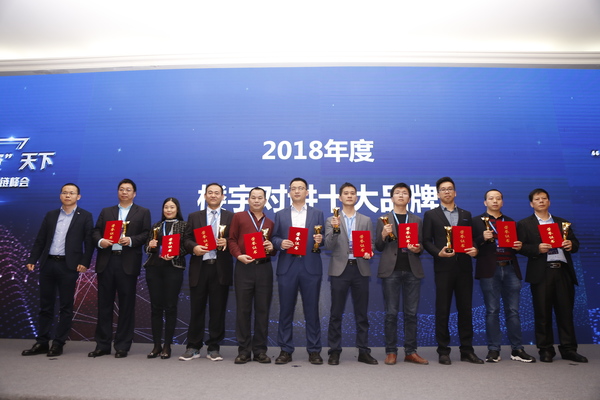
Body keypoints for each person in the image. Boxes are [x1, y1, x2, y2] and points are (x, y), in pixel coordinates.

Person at [21, 183, 94, 357]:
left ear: (78, 197)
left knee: (66, 306)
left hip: (68, 265)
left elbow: (89, 242)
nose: (68, 195)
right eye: (64, 192)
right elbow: (40, 239)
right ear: (60, 195)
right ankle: (42, 342)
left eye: (72, 193)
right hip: (48, 263)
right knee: (45, 305)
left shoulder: (85, 216)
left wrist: (84, 262)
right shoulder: (51, 215)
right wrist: (32, 259)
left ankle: (58, 343)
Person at [517, 188, 587, 363]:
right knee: (542, 313)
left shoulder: (562, 223)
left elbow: (576, 244)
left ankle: (569, 349)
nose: (541, 201)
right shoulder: (524, 224)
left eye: (544, 198)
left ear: (549, 202)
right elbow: (520, 247)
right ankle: (545, 349)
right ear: (531, 204)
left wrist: (571, 244)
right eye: (537, 199)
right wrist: (536, 248)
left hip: (563, 272)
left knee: (565, 313)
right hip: (542, 273)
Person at [422, 177, 482, 365]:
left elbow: (471, 239)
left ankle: (467, 350)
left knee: (466, 310)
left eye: (450, 189)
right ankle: (443, 350)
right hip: (443, 268)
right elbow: (426, 241)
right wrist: (437, 253)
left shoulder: (466, 214)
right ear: (438, 194)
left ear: (455, 192)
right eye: (443, 189)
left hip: (464, 268)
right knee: (443, 310)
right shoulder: (431, 215)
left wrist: (475, 249)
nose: (447, 192)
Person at [89, 178, 151, 358]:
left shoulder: (143, 212)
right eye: (122, 189)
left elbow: (146, 234)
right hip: (107, 261)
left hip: (128, 263)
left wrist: (131, 240)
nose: (124, 192)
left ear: (134, 194)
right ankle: (102, 345)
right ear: (118, 192)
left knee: (126, 305)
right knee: (104, 305)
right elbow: (95, 231)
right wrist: (101, 241)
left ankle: (123, 345)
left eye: (128, 189)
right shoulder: (107, 211)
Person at [473, 189, 536, 363]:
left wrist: (519, 246)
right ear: (485, 202)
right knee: (492, 311)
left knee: (513, 311)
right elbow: (468, 245)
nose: (495, 201)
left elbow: (520, 247)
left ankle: (517, 349)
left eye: (498, 198)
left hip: (510, 269)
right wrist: (481, 238)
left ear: (502, 202)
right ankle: (494, 350)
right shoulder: (476, 221)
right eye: (491, 198)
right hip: (489, 270)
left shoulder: (511, 222)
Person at [271, 177, 325, 365]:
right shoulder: (281, 214)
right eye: (293, 188)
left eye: (300, 188)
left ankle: (314, 350)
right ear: (289, 192)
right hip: (288, 267)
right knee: (285, 310)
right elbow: (274, 238)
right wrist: (280, 243)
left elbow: (323, 238)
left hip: (310, 267)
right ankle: (285, 350)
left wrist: (320, 239)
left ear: (307, 192)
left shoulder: (317, 214)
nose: (297, 191)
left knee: (312, 311)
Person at [179, 183, 234, 362]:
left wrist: (227, 242)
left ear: (223, 196)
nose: (213, 195)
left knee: (218, 309)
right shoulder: (194, 216)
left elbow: (236, 239)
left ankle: (214, 347)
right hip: (200, 267)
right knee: (197, 309)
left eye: (217, 193)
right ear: (204, 196)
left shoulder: (231, 217)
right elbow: (186, 239)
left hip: (220, 268)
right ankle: (193, 346)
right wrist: (194, 247)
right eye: (210, 192)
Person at [375, 183, 428, 366]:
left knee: (411, 313)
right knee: (391, 313)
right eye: (397, 193)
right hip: (391, 270)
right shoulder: (383, 219)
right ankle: (391, 351)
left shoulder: (417, 220)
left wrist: (418, 248)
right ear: (392, 198)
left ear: (409, 198)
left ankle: (411, 352)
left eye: (404, 193)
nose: (401, 195)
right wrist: (383, 234)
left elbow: (421, 246)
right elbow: (378, 246)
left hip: (412, 269)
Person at [324, 183, 377, 365]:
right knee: (336, 313)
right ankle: (334, 351)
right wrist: (336, 228)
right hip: (340, 269)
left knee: (361, 314)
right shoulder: (332, 219)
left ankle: (363, 351)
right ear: (340, 198)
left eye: (352, 193)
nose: (349, 196)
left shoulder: (366, 220)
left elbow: (371, 244)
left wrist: (369, 252)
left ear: (357, 197)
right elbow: (328, 246)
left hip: (360, 268)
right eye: (346, 193)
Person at [227, 187, 276, 364]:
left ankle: (260, 350)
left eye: (260, 198)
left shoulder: (270, 222)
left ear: (265, 201)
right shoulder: (239, 217)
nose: (256, 200)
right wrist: (238, 255)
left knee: (263, 310)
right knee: (243, 310)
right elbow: (231, 240)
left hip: (264, 269)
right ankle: (244, 351)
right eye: (253, 197)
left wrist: (272, 248)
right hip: (244, 268)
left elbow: (273, 249)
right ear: (248, 200)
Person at [144, 197, 187, 360]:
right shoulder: (156, 225)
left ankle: (167, 345)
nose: (169, 210)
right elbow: (147, 247)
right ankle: (156, 345)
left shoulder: (183, 225)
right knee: (155, 307)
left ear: (177, 209)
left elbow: (187, 246)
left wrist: (176, 253)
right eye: (166, 207)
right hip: (154, 269)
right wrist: (150, 246)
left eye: (172, 207)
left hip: (173, 269)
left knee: (170, 307)